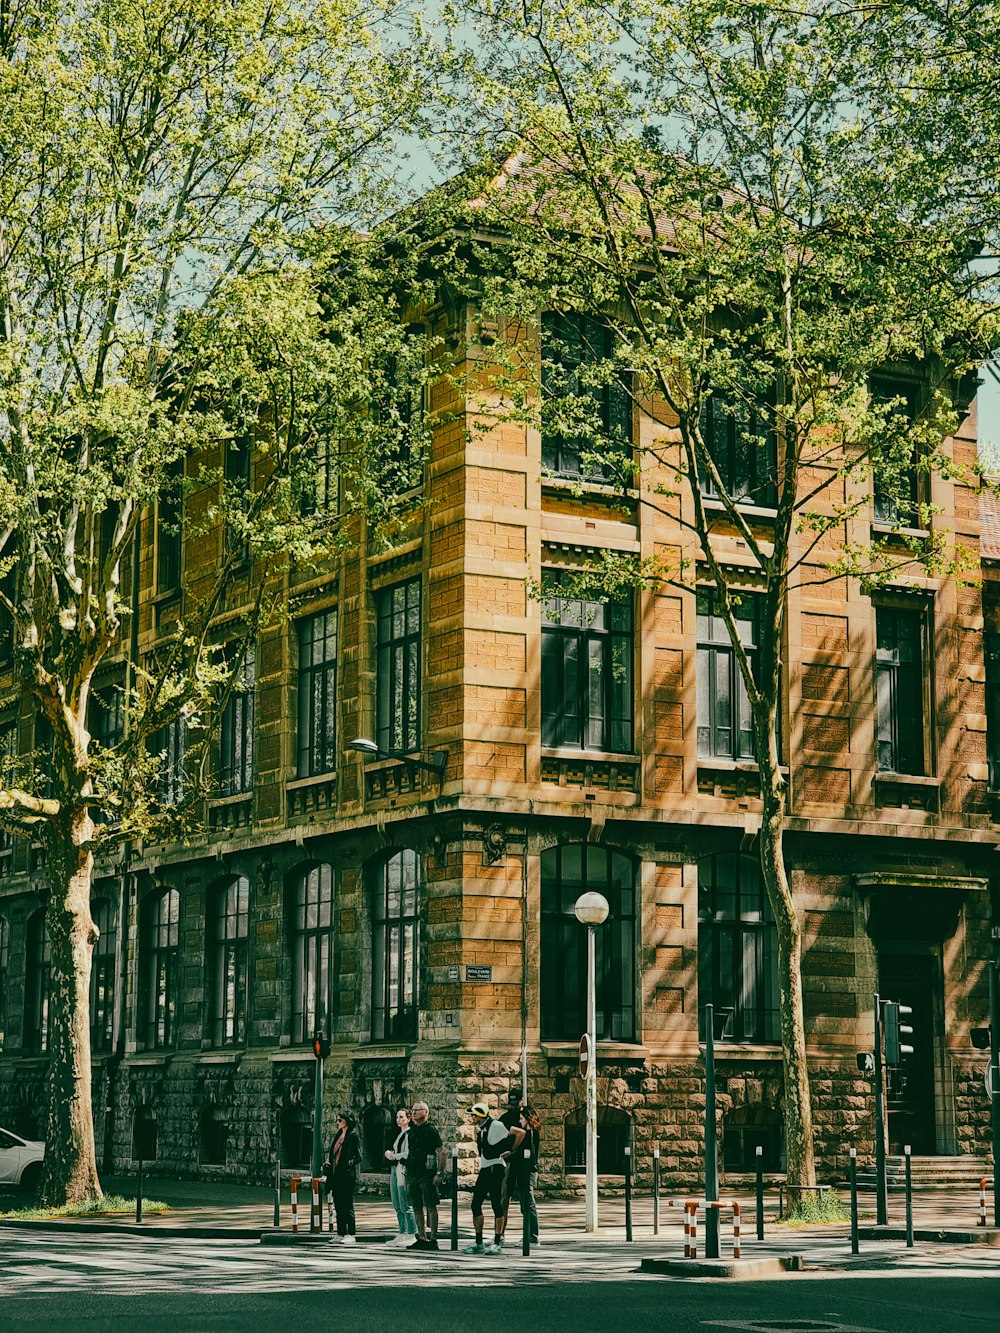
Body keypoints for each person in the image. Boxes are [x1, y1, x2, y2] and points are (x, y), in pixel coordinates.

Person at [462, 1100, 524, 1256]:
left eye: (474, 1115)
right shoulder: (481, 1129)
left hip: (495, 1167)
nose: (471, 1118)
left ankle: (497, 1242)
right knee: (476, 1204)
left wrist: (512, 1150)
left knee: (496, 1204)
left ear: (480, 1115)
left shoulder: (495, 1126)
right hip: (485, 1168)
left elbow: (520, 1133)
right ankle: (479, 1243)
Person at [405, 1100, 447, 1251]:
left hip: (427, 1174)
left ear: (425, 1112)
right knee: (416, 1205)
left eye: (417, 1110)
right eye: (413, 1110)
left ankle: (433, 1239)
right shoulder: (411, 1131)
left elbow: (442, 1152)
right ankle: (421, 1237)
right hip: (413, 1173)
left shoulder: (430, 1130)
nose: (414, 1113)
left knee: (430, 1205)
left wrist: (439, 1173)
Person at [324, 1110, 362, 1245]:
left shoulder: (353, 1136)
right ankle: (340, 1233)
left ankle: (351, 1233)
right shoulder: (339, 1135)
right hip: (335, 1175)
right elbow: (333, 1154)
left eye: (340, 1120)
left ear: (348, 1120)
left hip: (346, 1175)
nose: (337, 1122)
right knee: (338, 1205)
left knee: (347, 1204)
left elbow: (358, 1156)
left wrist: (348, 1164)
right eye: (337, 1120)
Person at [507, 1104, 541, 1244]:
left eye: (522, 1118)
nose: (520, 1121)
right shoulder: (530, 1133)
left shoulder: (529, 1134)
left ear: (527, 1118)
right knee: (525, 1204)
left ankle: (532, 1236)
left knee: (528, 1204)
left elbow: (529, 1156)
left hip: (528, 1171)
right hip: (524, 1171)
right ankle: (529, 1234)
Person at [384, 1107, 418, 1245]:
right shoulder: (400, 1133)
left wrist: (393, 1156)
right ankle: (402, 1232)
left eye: (402, 1117)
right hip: (395, 1167)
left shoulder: (410, 1134)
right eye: (397, 1117)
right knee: (396, 1202)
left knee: (405, 1202)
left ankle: (411, 1233)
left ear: (408, 1119)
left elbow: (407, 1153)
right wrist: (389, 1153)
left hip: (402, 1167)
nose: (398, 1120)